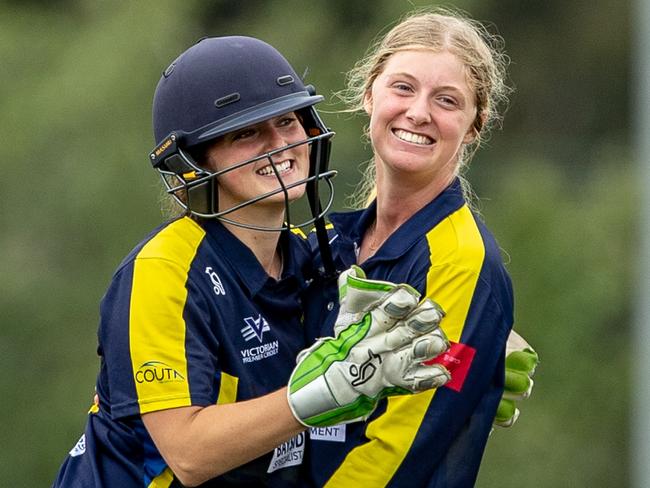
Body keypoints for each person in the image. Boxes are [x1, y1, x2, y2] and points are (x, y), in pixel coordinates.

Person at [51, 36, 453, 487]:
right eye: (246, 132)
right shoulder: (163, 270)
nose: (279, 144)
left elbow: (408, 279)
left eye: (287, 121)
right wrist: (328, 392)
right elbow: (188, 454)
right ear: (192, 162)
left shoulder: (312, 255)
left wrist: (481, 353)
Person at [303, 8, 537, 487]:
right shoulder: (332, 243)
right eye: (403, 87)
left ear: (475, 124)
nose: (419, 112)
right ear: (370, 94)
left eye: (447, 100)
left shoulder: (461, 261)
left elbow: (397, 453)